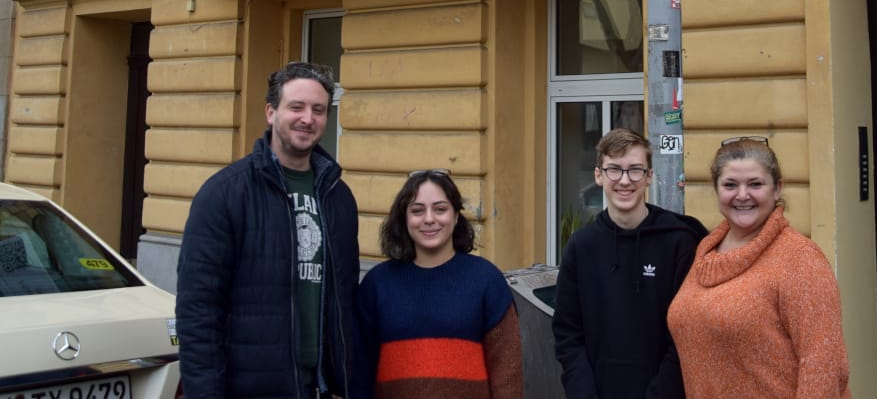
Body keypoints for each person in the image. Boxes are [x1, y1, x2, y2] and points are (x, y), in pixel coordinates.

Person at [176, 61, 359, 398]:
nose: (308, 118)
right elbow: (198, 312)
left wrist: (342, 381)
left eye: (319, 110)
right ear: (271, 112)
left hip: (320, 387)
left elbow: (345, 299)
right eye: (297, 107)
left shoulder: (338, 197)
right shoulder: (224, 194)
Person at [667, 136, 850, 399]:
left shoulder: (799, 259)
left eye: (755, 184)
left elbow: (824, 367)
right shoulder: (706, 254)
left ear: (777, 189)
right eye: (730, 185)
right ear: (716, 190)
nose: (743, 195)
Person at [552, 128, 706, 399]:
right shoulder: (581, 246)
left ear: (649, 177)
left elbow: (687, 336)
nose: (624, 180)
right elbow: (568, 333)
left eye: (635, 170)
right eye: (614, 169)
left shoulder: (679, 242)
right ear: (598, 175)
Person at [353, 169, 523, 399]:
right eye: (417, 210)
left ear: (455, 216)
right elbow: (359, 374)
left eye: (440, 209)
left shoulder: (486, 280)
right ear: (404, 218)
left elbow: (507, 373)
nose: (429, 219)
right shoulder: (377, 285)